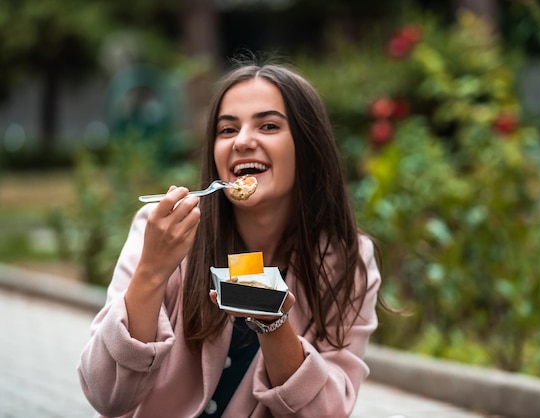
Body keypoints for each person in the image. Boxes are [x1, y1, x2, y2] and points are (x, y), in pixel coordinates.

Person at [78, 60, 383, 418]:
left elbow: (327, 412)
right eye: (227, 130)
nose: (242, 141)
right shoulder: (164, 233)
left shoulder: (347, 259)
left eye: (268, 125)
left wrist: (274, 324)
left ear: (309, 151)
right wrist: (151, 271)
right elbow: (106, 395)